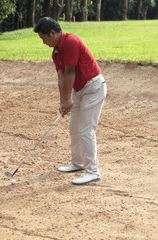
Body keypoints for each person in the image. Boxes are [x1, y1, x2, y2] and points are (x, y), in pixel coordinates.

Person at [34, 17, 107, 185]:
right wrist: (63, 102)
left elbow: (70, 73)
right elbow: (61, 78)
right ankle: (78, 162)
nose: (43, 42)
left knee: (85, 129)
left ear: (52, 33)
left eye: (44, 38)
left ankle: (92, 171)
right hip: (79, 90)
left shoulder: (72, 41)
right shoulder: (56, 52)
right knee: (74, 127)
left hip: (93, 88)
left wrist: (68, 99)